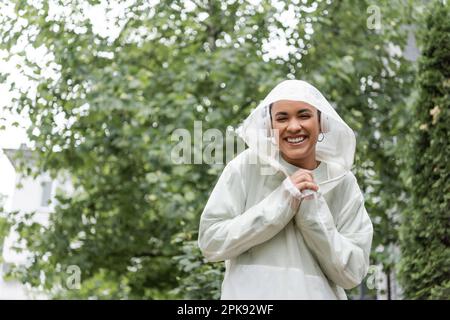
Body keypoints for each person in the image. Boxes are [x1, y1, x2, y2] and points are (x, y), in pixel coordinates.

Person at [198, 79, 373, 299]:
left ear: (322, 122)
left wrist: (313, 215)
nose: (293, 126)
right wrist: (281, 202)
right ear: (270, 126)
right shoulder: (245, 167)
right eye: (282, 118)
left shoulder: (343, 181)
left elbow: (353, 273)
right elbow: (210, 242)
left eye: (304, 115)